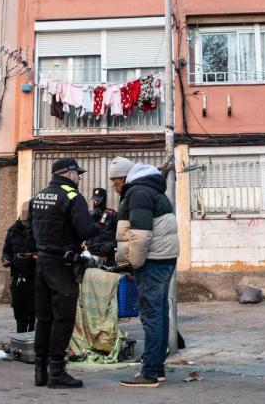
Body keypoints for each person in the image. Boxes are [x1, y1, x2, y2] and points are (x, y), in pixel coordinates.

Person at [30, 158, 99, 389]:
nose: (80, 177)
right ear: (69, 173)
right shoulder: (72, 196)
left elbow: (31, 229)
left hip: (42, 263)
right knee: (64, 318)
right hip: (62, 265)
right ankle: (57, 371)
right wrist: (98, 227)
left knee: (44, 318)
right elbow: (86, 229)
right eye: (78, 173)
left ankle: (40, 371)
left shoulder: (39, 195)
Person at [115, 162, 180, 388]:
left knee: (151, 316)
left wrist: (134, 264)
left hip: (152, 262)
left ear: (123, 178)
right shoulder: (151, 190)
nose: (113, 186)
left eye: (115, 180)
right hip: (164, 260)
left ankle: (150, 372)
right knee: (159, 313)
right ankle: (157, 366)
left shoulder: (139, 193)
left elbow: (141, 235)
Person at [2, 201, 36, 333]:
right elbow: (6, 251)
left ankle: (32, 340)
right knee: (19, 311)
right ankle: (20, 338)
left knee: (33, 312)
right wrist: (6, 259)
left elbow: (42, 252)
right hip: (17, 278)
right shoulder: (13, 230)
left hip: (33, 278)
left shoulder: (37, 230)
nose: (25, 223)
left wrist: (31, 256)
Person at [84, 187, 117, 266]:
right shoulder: (89, 215)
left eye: (98, 200)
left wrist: (112, 244)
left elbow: (121, 234)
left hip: (106, 254)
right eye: (94, 200)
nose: (96, 202)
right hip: (91, 252)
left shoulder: (112, 215)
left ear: (104, 199)